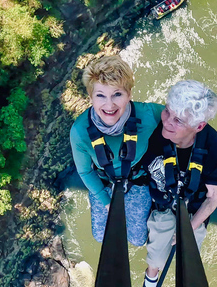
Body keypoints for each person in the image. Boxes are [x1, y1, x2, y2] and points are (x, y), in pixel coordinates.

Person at [141, 80, 217, 287]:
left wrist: (189, 228)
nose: (167, 122)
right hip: (162, 201)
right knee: (157, 254)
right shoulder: (152, 130)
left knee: (186, 255)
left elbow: (215, 197)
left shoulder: (216, 151)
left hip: (193, 208)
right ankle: (152, 272)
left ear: (198, 126)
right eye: (167, 112)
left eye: (178, 120)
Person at [70, 55, 164, 246]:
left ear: (129, 94)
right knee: (100, 235)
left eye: (117, 94)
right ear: (90, 98)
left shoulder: (149, 115)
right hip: (104, 183)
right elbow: (85, 171)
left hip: (138, 181)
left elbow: (183, 121)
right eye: (101, 96)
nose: (109, 105)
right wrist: (105, 201)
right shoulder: (80, 132)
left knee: (138, 240)